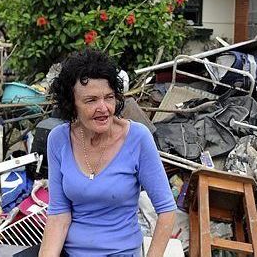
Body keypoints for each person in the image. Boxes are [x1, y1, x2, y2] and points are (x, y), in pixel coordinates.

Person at [39, 49, 176, 257]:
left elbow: (166, 211)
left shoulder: (138, 138)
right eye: (91, 100)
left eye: (109, 97)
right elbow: (59, 215)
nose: (103, 108)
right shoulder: (58, 139)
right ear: (72, 104)